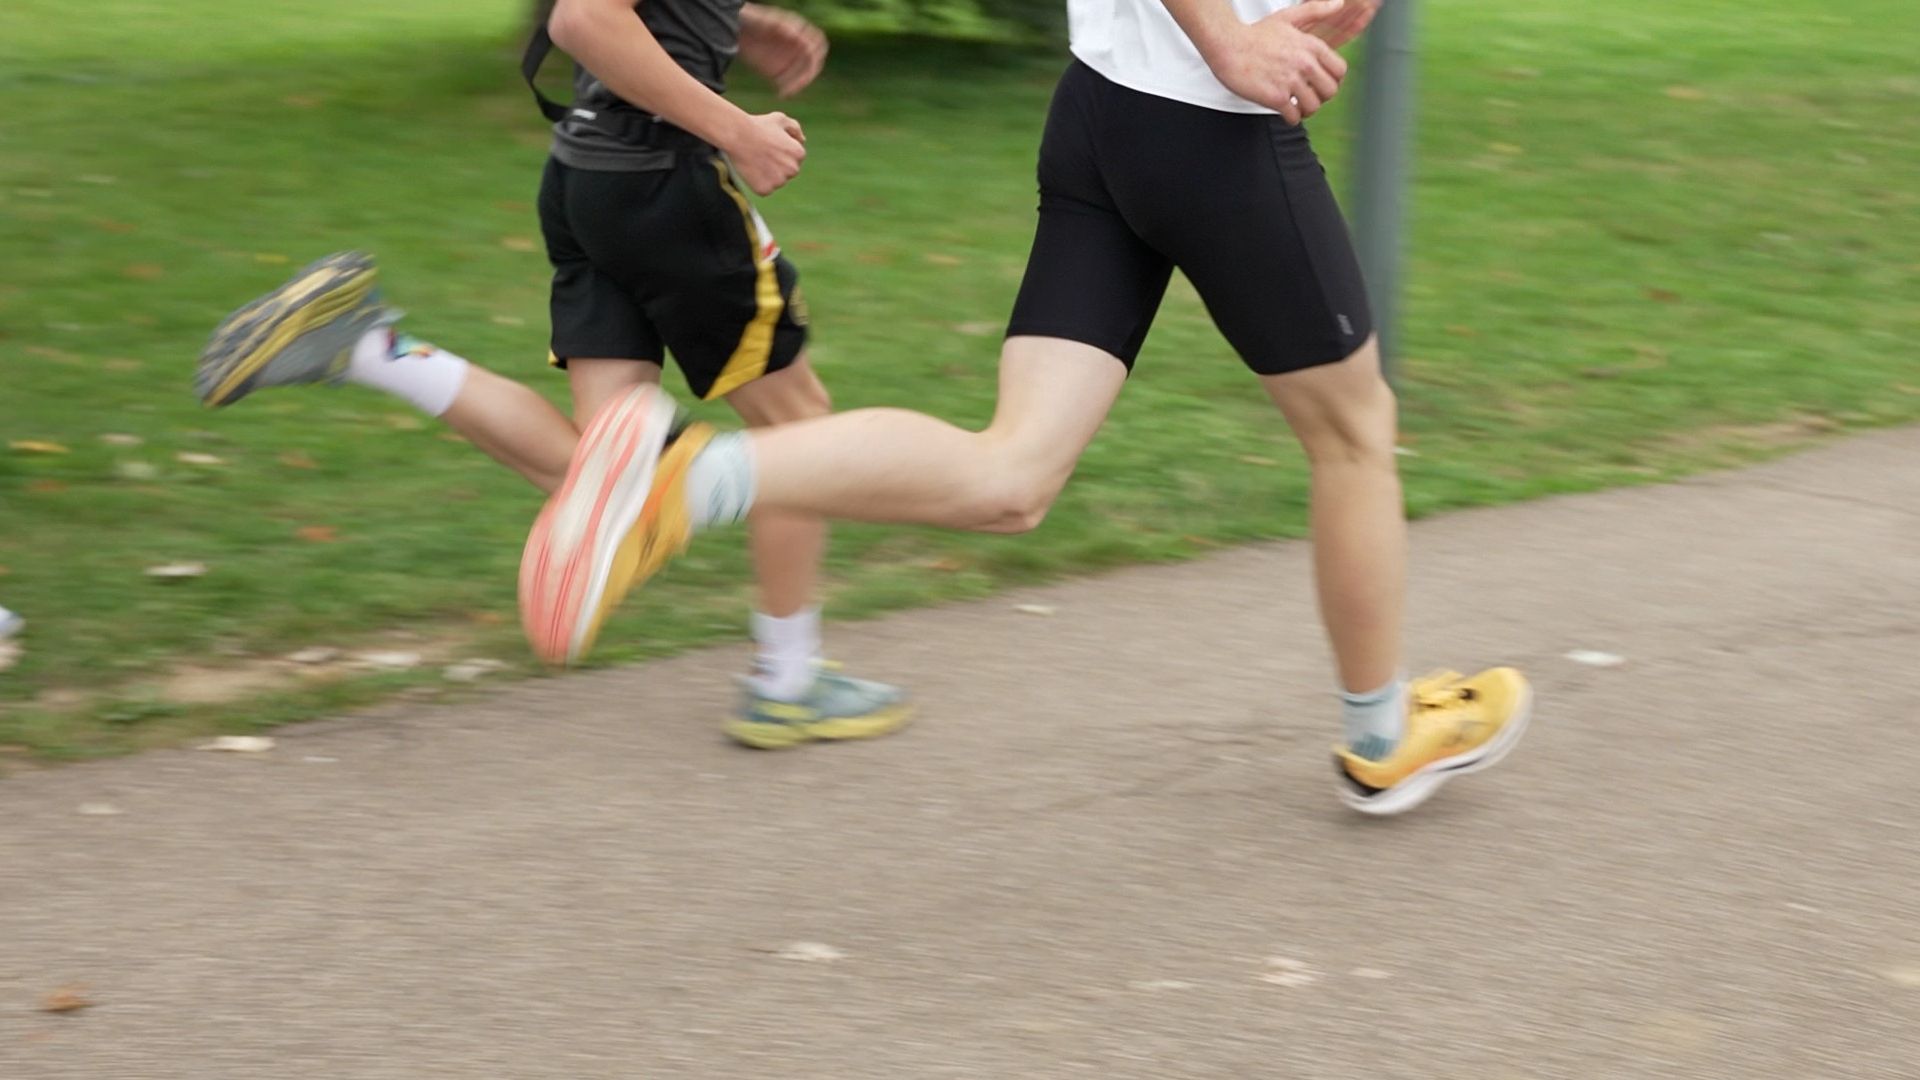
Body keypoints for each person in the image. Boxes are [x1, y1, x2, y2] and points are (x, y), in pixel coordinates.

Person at [520, 0, 1533, 814]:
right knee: (1354, 433)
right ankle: (1381, 736)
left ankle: (687, 481)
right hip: (1213, 124)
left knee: (1012, 477)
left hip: (1103, 116)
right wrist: (1230, 40)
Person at [194, 0, 909, 751]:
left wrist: (736, 17)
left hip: (589, 176)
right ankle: (788, 681)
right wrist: (737, 130)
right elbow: (586, 17)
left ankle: (367, 348)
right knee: (798, 435)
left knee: (606, 473)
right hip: (666, 182)